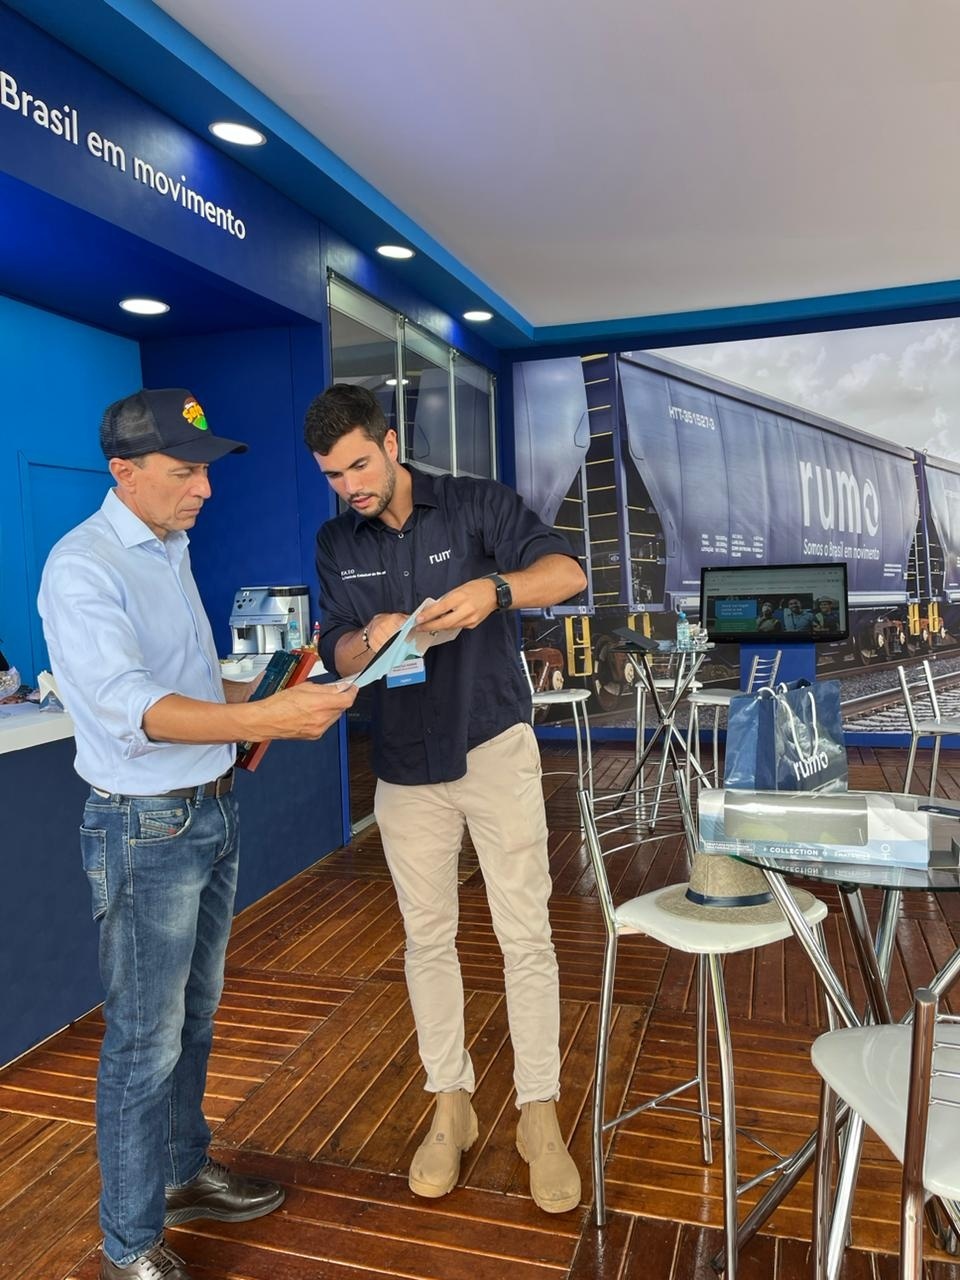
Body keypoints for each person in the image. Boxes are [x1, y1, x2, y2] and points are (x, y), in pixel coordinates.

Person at [38, 389, 357, 1280]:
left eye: (205, 471)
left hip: (209, 808)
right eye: (184, 472)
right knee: (144, 1038)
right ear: (124, 473)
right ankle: (128, 1243)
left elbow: (193, 688)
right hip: (145, 826)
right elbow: (133, 708)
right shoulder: (83, 566)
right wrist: (268, 718)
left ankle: (182, 1169)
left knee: (195, 1015)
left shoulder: (170, 548)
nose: (204, 490)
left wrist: (275, 698)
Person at [304, 383, 587, 1214]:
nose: (350, 486)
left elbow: (566, 572)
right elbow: (335, 644)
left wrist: (497, 591)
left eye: (360, 465)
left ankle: (539, 1112)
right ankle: (450, 1105)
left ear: (391, 443)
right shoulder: (335, 541)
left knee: (525, 935)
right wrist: (369, 638)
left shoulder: (474, 505)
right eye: (333, 474)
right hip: (401, 767)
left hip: (493, 745)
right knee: (426, 942)